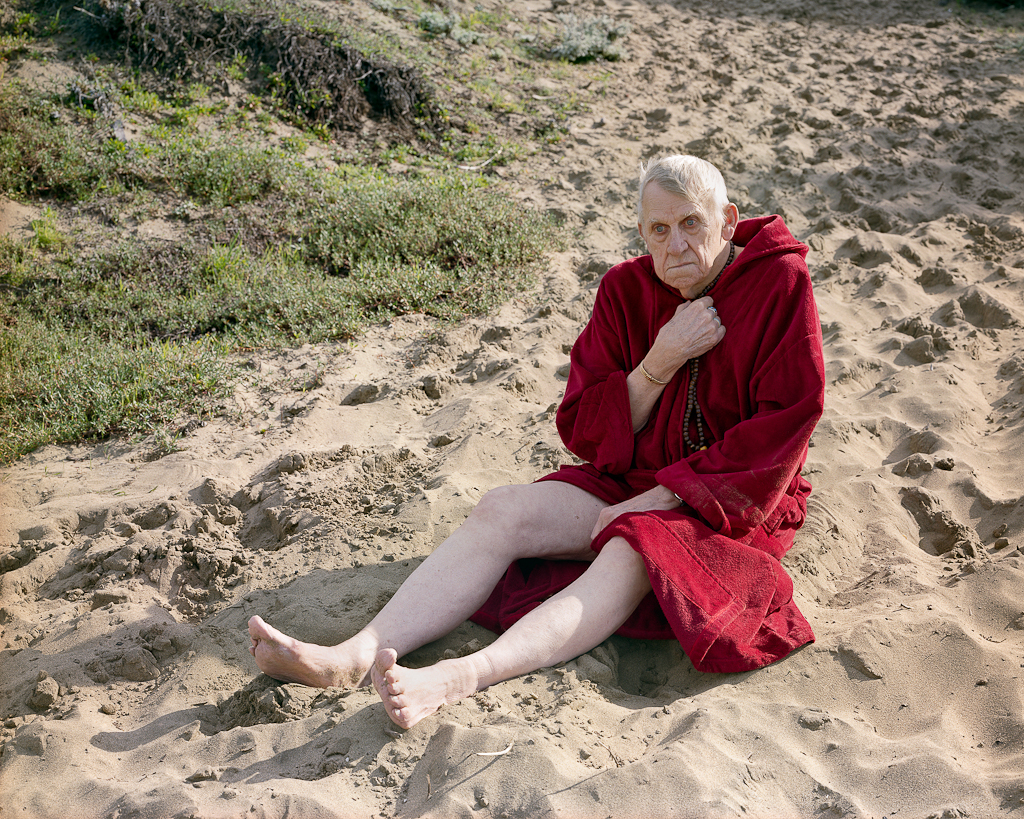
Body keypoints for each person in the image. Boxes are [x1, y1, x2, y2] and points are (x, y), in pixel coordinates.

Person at [248, 154, 826, 730]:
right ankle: (351, 656)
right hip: (631, 476)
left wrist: (662, 499)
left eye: (691, 223)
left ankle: (463, 675)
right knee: (503, 509)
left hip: (732, 500)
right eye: (658, 229)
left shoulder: (780, 282)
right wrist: (662, 358)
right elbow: (582, 427)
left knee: (634, 544)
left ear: (727, 220)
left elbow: (787, 424)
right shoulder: (624, 290)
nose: (675, 244)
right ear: (642, 233)